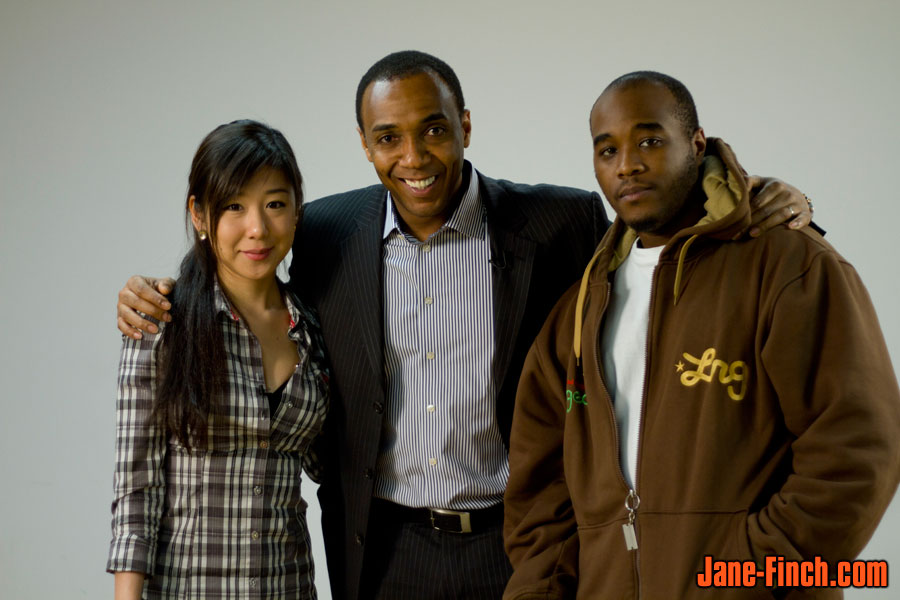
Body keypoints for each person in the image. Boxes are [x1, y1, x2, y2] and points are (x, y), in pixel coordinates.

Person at [115, 52, 813, 599]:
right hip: (383, 550)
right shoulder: (326, 231)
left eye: (434, 129)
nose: (414, 156)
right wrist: (164, 292)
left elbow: (656, 236)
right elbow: (245, 267)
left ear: (466, 126)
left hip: (516, 544)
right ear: (364, 145)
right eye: (389, 137)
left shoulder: (556, 225)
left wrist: (756, 197)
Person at [502, 72, 900, 599]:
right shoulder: (579, 309)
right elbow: (539, 492)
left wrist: (747, 573)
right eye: (607, 150)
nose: (628, 164)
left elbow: (856, 453)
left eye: (649, 140)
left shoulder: (789, 266)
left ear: (695, 145)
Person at [107, 120, 329, 600]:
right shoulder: (163, 321)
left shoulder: (312, 328)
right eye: (234, 206)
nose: (258, 228)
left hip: (287, 588)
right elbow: (136, 489)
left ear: (295, 210)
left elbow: (330, 463)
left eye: (274, 204)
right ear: (201, 215)